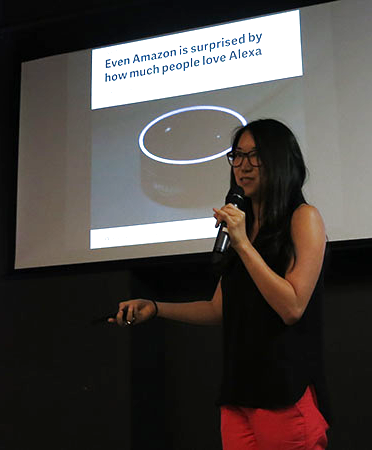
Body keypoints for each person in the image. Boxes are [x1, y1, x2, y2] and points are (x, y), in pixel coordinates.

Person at [110, 118, 329, 449]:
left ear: (280, 160)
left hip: (284, 392)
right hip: (238, 394)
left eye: (255, 155)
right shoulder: (244, 227)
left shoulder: (303, 217)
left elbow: (293, 307)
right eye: (237, 155)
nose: (243, 166)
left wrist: (243, 244)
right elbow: (218, 309)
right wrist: (155, 308)